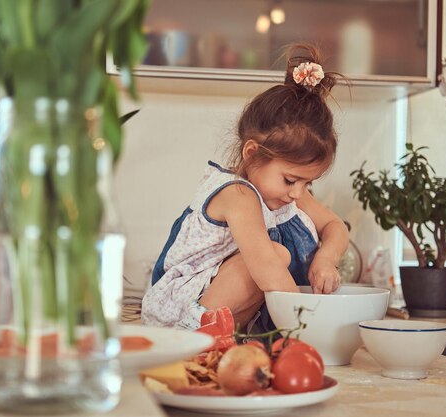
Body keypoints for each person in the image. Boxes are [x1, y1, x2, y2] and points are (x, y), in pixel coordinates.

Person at [141, 43, 350, 331]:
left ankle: (221, 338)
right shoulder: (237, 194)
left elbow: (335, 226)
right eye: (291, 179)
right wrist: (309, 328)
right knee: (277, 255)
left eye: (307, 183)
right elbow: (266, 269)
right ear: (252, 153)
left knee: (279, 257)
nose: (298, 193)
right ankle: (192, 335)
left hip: (227, 318)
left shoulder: (286, 196)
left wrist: (326, 260)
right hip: (178, 310)